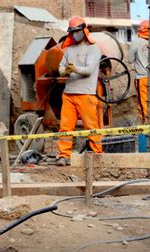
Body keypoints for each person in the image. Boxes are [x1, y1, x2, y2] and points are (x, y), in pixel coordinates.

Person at [56, 16, 103, 166]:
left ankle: (96, 155)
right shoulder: (69, 49)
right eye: (73, 32)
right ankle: (64, 155)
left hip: (86, 94)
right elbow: (60, 66)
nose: (75, 34)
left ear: (84, 30)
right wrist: (64, 71)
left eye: (77, 31)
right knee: (65, 128)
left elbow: (89, 70)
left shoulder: (94, 48)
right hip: (69, 93)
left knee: (91, 127)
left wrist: (73, 68)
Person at [127, 20, 150, 124]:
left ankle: (147, 131)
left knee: (144, 106)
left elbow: (129, 60)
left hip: (142, 79)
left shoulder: (137, 42)